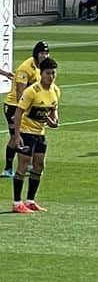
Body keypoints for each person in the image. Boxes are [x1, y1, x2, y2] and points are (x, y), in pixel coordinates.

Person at [9, 55, 60, 213]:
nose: (51, 77)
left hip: (40, 133)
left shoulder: (55, 91)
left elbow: (53, 111)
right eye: (48, 73)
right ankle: (17, 203)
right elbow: (18, 113)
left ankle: (30, 200)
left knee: (39, 165)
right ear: (41, 74)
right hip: (26, 132)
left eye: (53, 73)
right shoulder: (31, 91)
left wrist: (54, 121)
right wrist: (16, 136)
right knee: (23, 166)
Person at [3, 39, 50, 178]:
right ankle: (8, 168)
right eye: (42, 53)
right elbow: (19, 92)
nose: (45, 56)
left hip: (29, 106)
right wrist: (20, 112)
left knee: (30, 134)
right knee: (15, 137)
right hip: (14, 106)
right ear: (36, 54)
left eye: (47, 53)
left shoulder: (42, 67)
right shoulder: (25, 68)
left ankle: (26, 162)